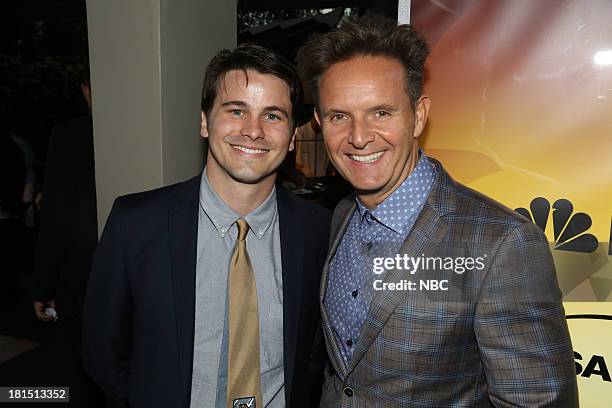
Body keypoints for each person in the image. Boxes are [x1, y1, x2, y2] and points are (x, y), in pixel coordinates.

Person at [296, 16, 578, 407]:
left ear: (419, 115)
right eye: (339, 116)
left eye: (381, 113)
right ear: (319, 123)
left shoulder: (502, 245)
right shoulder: (341, 216)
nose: (358, 137)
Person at [82, 44, 330, 408]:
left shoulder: (318, 231)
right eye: (236, 110)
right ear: (204, 121)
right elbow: (104, 353)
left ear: (293, 136)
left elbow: (313, 357)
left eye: (273, 116)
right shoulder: (135, 224)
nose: (253, 131)